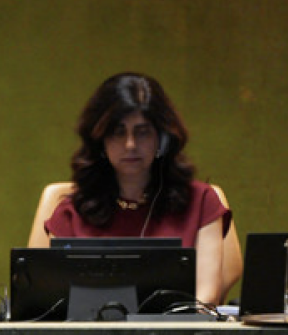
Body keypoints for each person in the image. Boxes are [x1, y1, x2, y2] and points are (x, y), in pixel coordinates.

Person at [43, 72, 234, 305]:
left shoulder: (201, 202)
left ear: (163, 139)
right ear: (100, 140)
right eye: (118, 132)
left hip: (180, 328)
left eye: (142, 132)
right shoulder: (70, 213)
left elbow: (206, 299)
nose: (130, 144)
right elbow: (52, 304)